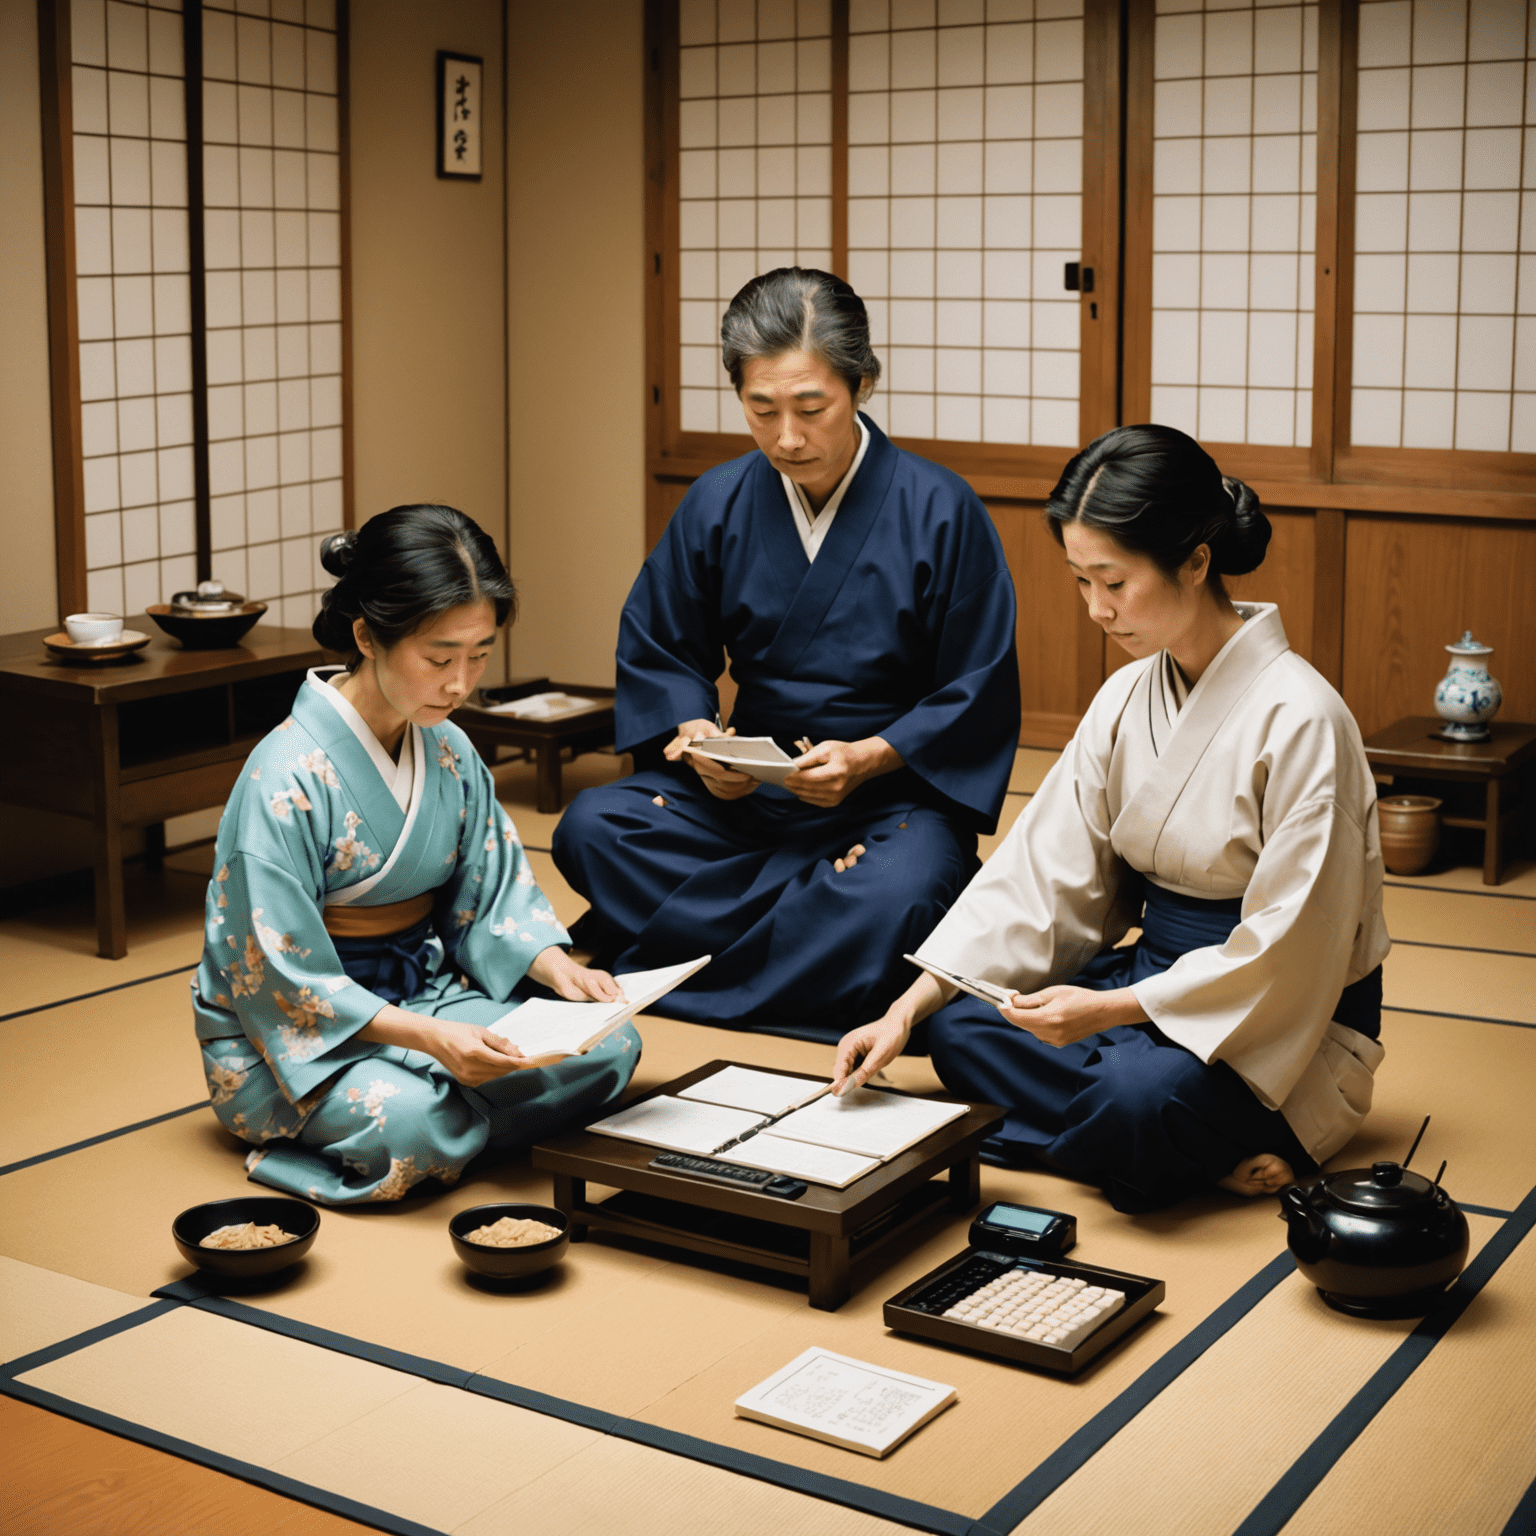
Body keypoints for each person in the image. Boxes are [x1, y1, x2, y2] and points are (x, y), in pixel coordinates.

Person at [832, 425, 1390, 1212]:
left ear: (1196, 562)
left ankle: (1185, 1141)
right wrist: (909, 1006)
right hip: (1150, 979)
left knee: (1137, 1096)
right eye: (1080, 581)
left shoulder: (1304, 719)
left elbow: (1296, 948)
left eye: (1115, 582)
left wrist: (1110, 1011)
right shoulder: (1127, 698)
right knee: (961, 1031)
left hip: (1278, 1022)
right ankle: (1185, 1159)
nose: (1096, 610)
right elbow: (1043, 878)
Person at [553, 268, 1020, 1040]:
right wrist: (699, 738)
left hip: (885, 807)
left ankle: (684, 955)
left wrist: (868, 759)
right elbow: (663, 643)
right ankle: (814, 955)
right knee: (592, 826)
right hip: (745, 796)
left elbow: (975, 686)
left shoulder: (942, 509)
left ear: (863, 385)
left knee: (904, 888)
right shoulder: (718, 499)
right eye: (760, 408)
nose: (786, 437)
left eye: (812, 408)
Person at [192, 505, 639, 1205]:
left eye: (480, 654)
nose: (461, 683)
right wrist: (433, 1040)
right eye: (439, 658)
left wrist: (557, 968)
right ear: (368, 636)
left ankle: (452, 1113)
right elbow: (281, 980)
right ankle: (434, 1116)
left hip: (425, 992)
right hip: (297, 1041)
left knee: (611, 1046)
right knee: (407, 1121)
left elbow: (492, 898)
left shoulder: (450, 749)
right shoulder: (284, 777)